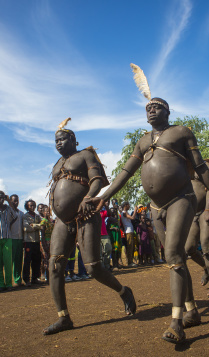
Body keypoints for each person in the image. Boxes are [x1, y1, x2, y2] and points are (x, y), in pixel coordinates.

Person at [88, 95, 209, 343]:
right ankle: (192, 310)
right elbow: (126, 171)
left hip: (181, 198)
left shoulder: (182, 132)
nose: (151, 110)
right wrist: (104, 196)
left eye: (157, 107)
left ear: (168, 112)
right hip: (154, 207)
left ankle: (176, 323)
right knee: (175, 258)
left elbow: (201, 166)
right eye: (148, 107)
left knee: (173, 254)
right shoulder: (142, 141)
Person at [42, 118, 136, 336]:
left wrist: (88, 196)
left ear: (73, 139)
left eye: (62, 139)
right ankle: (63, 317)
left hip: (85, 216)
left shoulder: (85, 154)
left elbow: (98, 180)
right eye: (56, 140)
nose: (58, 143)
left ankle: (123, 291)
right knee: (54, 265)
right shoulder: (58, 164)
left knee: (93, 267)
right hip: (63, 222)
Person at [184, 159, 209, 298]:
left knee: (206, 245)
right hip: (192, 214)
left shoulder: (206, 166)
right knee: (189, 249)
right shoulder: (183, 166)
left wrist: (208, 209)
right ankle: (206, 268)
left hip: (205, 211)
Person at [22, 200, 42, 286]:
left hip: (37, 241)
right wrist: (38, 226)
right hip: (28, 241)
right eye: (30, 206)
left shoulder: (37, 216)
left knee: (37, 260)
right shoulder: (25, 216)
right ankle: (26, 279)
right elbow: (26, 227)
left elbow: (42, 225)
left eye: (34, 205)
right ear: (27, 206)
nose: (32, 207)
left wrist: (33, 225)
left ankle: (35, 278)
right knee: (27, 260)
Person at [8, 194, 25, 286]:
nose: (16, 203)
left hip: (20, 239)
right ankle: (8, 281)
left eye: (17, 201)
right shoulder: (8, 213)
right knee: (10, 260)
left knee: (19, 260)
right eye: (14, 201)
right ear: (10, 201)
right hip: (12, 239)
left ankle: (17, 280)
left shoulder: (21, 213)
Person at [120, 202, 138, 267]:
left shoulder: (124, 213)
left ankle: (131, 261)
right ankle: (130, 262)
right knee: (130, 247)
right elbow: (132, 218)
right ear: (125, 205)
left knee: (132, 246)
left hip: (130, 231)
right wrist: (135, 210)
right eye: (128, 205)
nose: (129, 206)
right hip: (128, 232)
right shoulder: (124, 213)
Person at [40, 205, 54, 283]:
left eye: (49, 211)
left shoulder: (51, 221)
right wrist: (44, 244)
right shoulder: (43, 221)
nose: (48, 212)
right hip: (46, 242)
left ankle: (51, 277)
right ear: (43, 212)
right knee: (46, 260)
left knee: (51, 260)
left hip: (52, 242)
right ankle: (48, 278)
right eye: (46, 211)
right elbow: (42, 234)